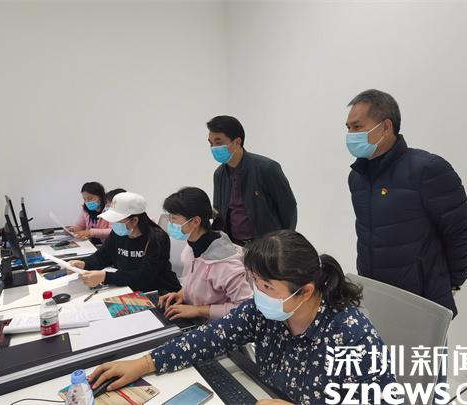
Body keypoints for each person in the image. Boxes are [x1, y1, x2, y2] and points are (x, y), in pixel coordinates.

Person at [88, 230, 396, 404]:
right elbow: (212, 336)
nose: (257, 293)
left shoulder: (351, 335)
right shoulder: (266, 311)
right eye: (254, 282)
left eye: (266, 286)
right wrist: (145, 363)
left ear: (305, 291)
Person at [345, 89, 467, 318]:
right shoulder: (357, 177)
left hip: (422, 302)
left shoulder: (427, 169)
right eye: (348, 128)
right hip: (377, 298)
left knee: (422, 346)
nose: (350, 135)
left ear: (386, 127)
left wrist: (451, 283)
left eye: (357, 127)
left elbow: (459, 230)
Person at [158, 187, 252, 321]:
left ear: (195, 221)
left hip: (217, 326)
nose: (170, 223)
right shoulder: (191, 247)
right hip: (195, 319)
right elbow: (196, 283)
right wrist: (181, 294)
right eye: (169, 217)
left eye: (173, 218)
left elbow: (246, 308)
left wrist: (198, 310)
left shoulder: (225, 265)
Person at [208, 115, 297, 245]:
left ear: (237, 142)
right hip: (234, 246)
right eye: (210, 143)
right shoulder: (219, 174)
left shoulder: (267, 168)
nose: (213, 148)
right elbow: (219, 214)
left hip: (266, 247)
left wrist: (283, 243)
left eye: (218, 142)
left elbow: (288, 209)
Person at [69, 192, 181, 293]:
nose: (113, 224)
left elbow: (145, 276)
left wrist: (105, 277)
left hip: (159, 291)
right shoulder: (118, 233)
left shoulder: (157, 239)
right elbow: (102, 256)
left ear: (134, 220)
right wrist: (84, 264)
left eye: (117, 220)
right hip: (129, 287)